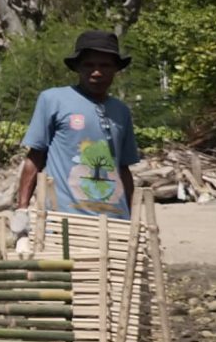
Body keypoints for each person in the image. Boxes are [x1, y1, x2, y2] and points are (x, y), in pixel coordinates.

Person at [14, 31, 141, 228]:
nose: (97, 72)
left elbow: (123, 168)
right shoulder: (53, 100)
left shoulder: (121, 111)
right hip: (67, 219)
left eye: (105, 65)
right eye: (89, 65)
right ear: (77, 68)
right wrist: (21, 209)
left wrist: (134, 220)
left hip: (115, 220)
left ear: (116, 69)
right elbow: (35, 157)